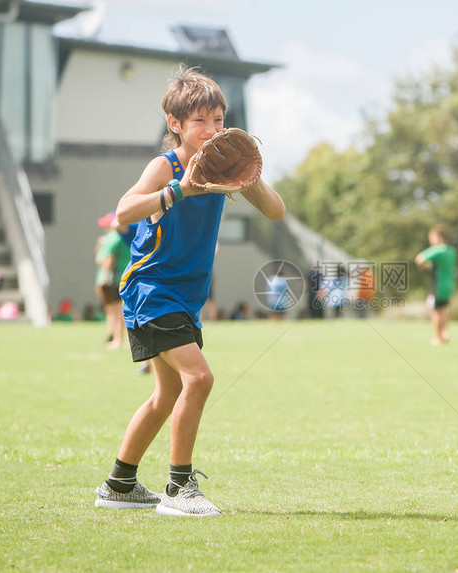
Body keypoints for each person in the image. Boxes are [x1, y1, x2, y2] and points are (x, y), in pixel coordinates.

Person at [94, 66, 285, 517]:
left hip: (184, 298)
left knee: (166, 395)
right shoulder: (167, 166)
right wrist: (179, 190)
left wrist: (248, 174)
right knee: (200, 379)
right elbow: (123, 211)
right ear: (175, 125)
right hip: (150, 290)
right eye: (200, 121)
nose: (212, 130)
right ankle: (180, 489)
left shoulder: (223, 168)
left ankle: (119, 485)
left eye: (219, 120)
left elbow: (276, 212)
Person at [94, 213, 132, 349]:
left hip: (117, 277)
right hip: (126, 275)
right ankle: (118, 337)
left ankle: (117, 339)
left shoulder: (113, 238)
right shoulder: (124, 237)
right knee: (119, 310)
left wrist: (104, 278)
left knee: (117, 310)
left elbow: (106, 259)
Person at [415, 225, 457, 345]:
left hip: (438, 285)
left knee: (436, 311)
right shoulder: (451, 251)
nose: (430, 241)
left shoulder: (438, 249)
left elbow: (420, 258)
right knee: (443, 310)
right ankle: (445, 333)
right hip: (449, 284)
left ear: (438, 237)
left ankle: (439, 337)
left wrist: (425, 267)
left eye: (432, 237)